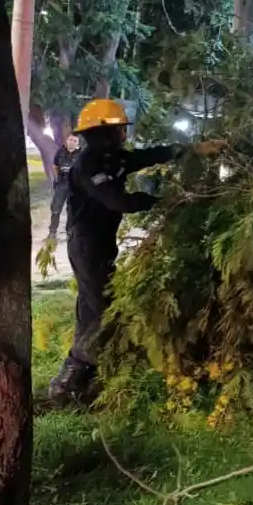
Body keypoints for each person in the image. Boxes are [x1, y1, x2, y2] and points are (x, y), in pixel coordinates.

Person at [48, 98, 224, 401]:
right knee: (105, 311)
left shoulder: (113, 158)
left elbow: (149, 156)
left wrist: (194, 148)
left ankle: (72, 383)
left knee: (93, 311)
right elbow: (119, 202)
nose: (124, 136)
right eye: (118, 130)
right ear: (102, 133)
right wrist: (161, 202)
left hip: (100, 247)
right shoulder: (89, 165)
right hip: (86, 247)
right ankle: (78, 380)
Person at [47, 133, 80, 241]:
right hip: (62, 184)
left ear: (77, 144)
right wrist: (59, 178)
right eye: (70, 140)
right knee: (55, 208)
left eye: (75, 141)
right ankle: (52, 233)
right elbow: (55, 166)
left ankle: (69, 233)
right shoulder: (60, 152)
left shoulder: (80, 154)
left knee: (71, 210)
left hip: (74, 186)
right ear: (66, 141)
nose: (72, 142)